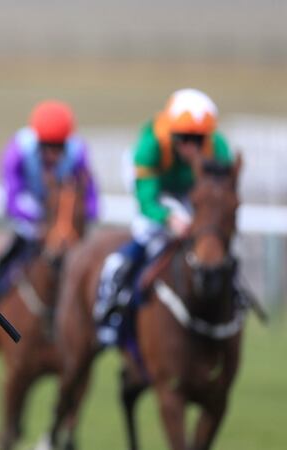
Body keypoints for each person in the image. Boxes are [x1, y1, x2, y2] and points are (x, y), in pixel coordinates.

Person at [93, 88, 233, 346]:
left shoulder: (220, 149)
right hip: (157, 190)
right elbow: (147, 199)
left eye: (197, 139)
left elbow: (221, 197)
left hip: (192, 193)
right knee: (148, 236)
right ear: (171, 134)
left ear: (208, 137)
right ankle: (109, 306)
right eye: (182, 138)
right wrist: (169, 218)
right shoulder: (150, 145)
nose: (189, 148)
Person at [0, 100, 98, 303]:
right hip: (30, 209)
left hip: (61, 215)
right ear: (37, 140)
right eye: (47, 147)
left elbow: (91, 199)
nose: (53, 155)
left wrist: (80, 216)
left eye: (58, 147)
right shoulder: (17, 150)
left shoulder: (78, 152)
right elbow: (11, 201)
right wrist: (41, 221)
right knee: (19, 244)